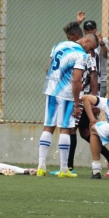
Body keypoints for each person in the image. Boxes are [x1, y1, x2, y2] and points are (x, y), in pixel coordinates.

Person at [50, 22, 109, 177]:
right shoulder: (77, 50)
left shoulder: (88, 54)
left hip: (82, 98)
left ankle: (69, 167)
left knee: (71, 129)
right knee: (85, 132)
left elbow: (93, 76)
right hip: (78, 96)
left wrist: (94, 100)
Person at [36, 34, 99, 178]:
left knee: (48, 127)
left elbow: (47, 69)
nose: (90, 52)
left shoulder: (59, 45)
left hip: (51, 91)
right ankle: (64, 169)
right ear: (87, 41)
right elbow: (76, 81)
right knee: (65, 129)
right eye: (91, 48)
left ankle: (41, 166)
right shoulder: (81, 54)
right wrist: (77, 104)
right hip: (66, 94)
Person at [77, 11, 109, 97]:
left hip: (101, 78)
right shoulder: (84, 42)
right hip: (85, 78)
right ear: (83, 31)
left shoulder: (104, 41)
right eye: (87, 30)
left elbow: (107, 56)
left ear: (95, 30)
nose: (89, 31)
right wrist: (78, 22)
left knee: (96, 102)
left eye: (91, 29)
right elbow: (73, 35)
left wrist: (101, 43)